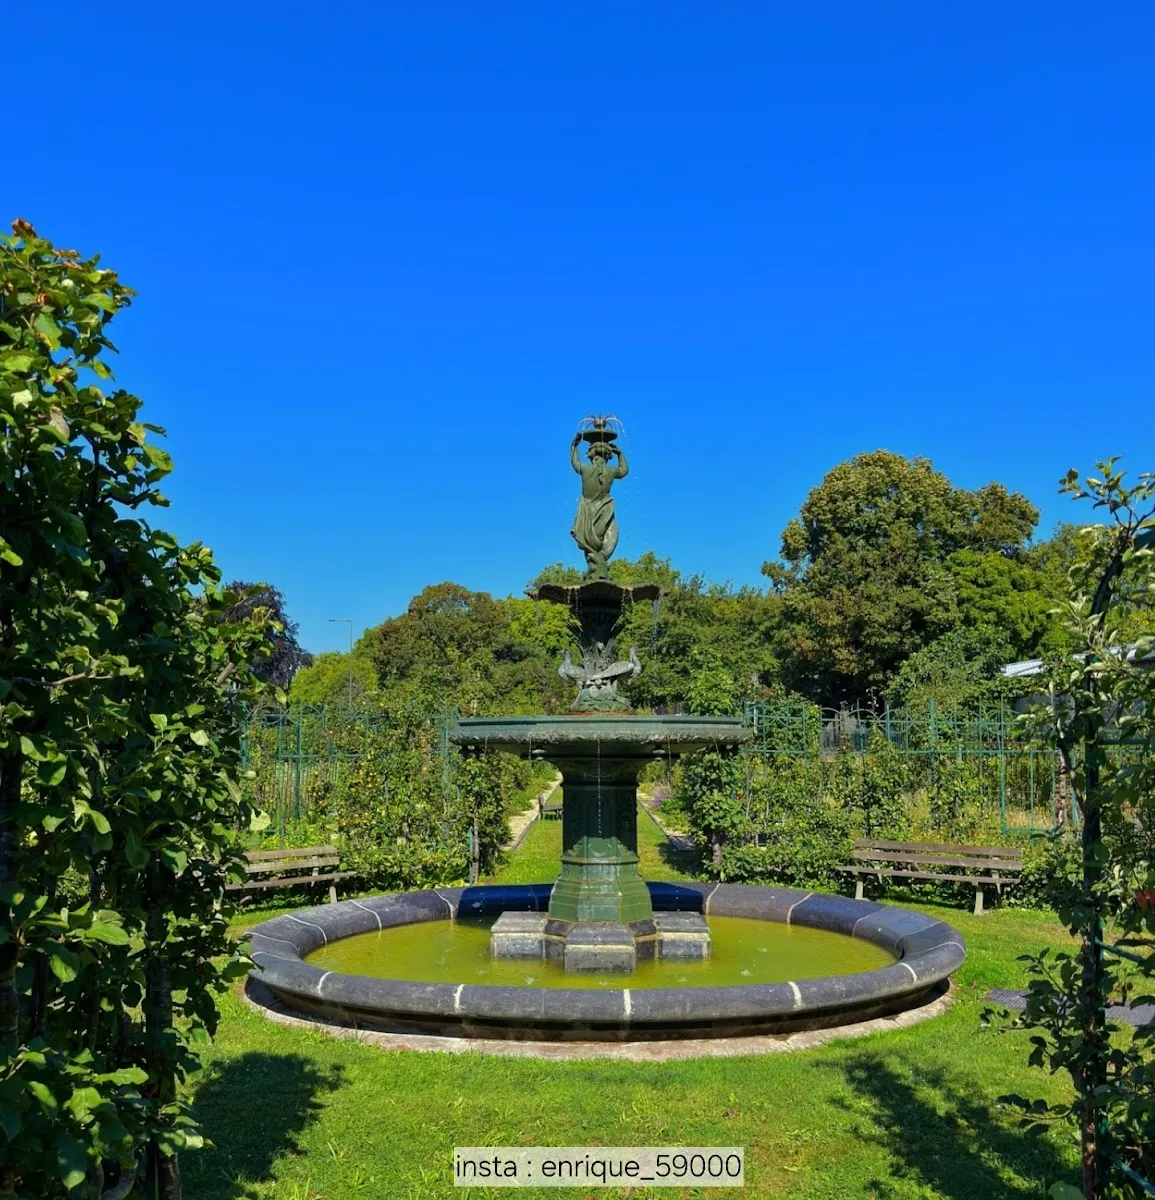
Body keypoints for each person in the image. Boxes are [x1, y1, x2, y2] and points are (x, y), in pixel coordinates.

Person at [570, 432, 628, 579]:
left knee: (588, 542)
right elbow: (624, 471)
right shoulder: (611, 470)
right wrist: (620, 454)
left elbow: (575, 463)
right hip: (604, 508)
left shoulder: (585, 469)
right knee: (608, 536)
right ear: (607, 458)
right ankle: (599, 564)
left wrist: (574, 446)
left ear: (591, 457)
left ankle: (595, 566)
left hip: (588, 511)